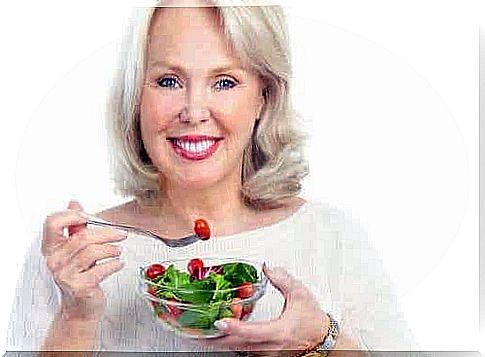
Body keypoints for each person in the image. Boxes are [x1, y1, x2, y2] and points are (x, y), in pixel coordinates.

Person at [6, 0, 419, 355]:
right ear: (136, 96)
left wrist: (319, 341)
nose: (194, 111)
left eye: (224, 82)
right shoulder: (73, 256)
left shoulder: (331, 239)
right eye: (168, 81)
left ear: (264, 97)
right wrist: (76, 318)